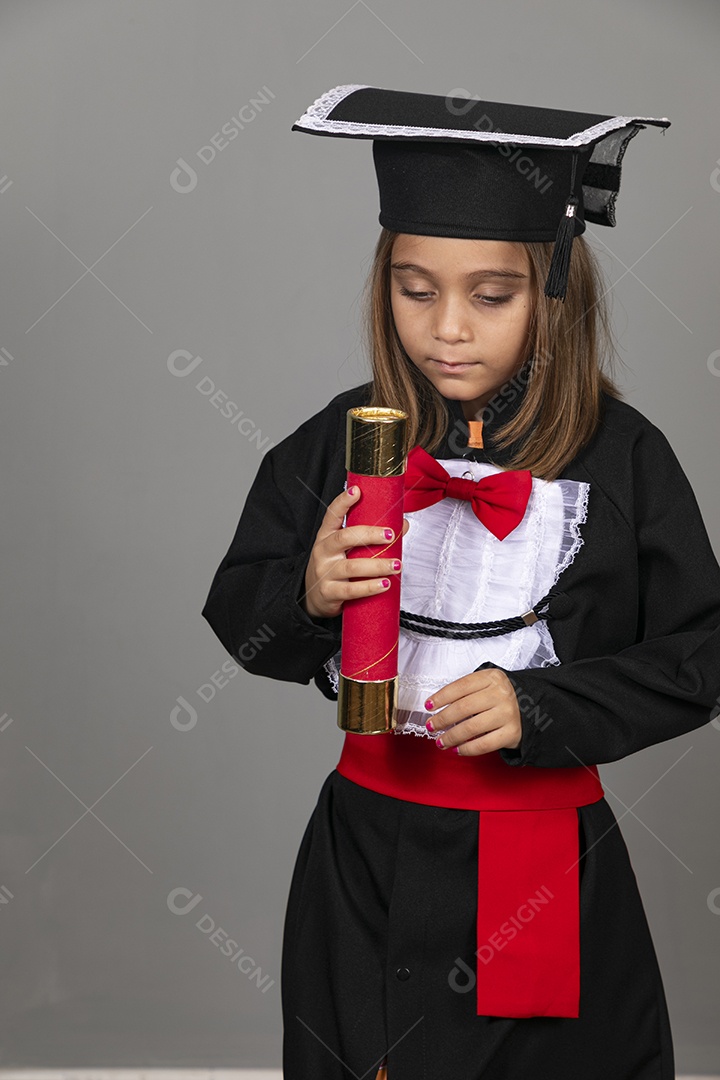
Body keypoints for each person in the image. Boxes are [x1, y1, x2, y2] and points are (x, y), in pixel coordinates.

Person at [201, 85, 720, 1080]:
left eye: (490, 295)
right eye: (413, 288)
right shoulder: (336, 440)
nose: (446, 328)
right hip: (364, 848)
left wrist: (542, 705)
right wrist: (306, 599)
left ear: (553, 289)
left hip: (541, 857)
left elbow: (698, 656)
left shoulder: (625, 460)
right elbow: (242, 619)